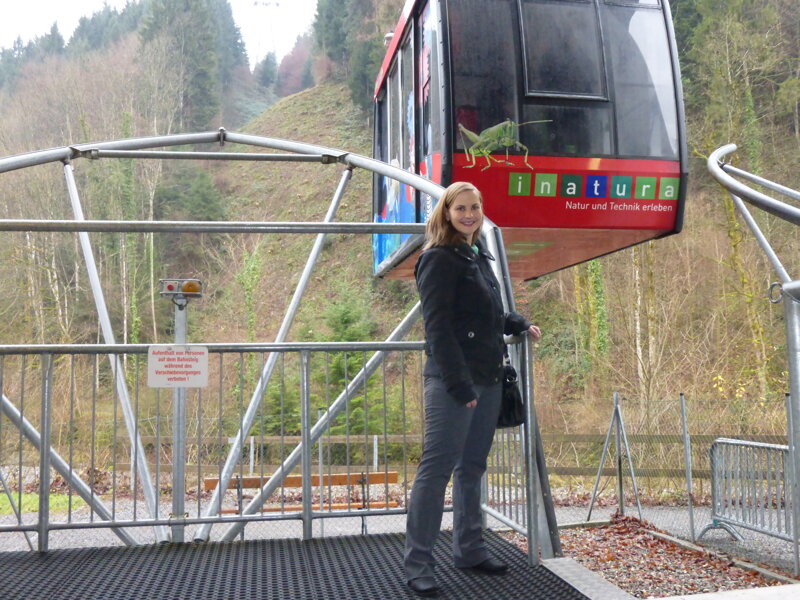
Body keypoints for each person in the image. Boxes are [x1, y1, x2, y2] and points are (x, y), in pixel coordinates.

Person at [404, 181, 541, 597]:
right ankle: (418, 566)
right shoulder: (438, 259)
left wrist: (515, 323)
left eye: (475, 207)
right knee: (436, 471)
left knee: (472, 469)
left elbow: (488, 313)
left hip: (488, 378)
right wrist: (460, 384)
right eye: (460, 207)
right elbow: (438, 329)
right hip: (454, 383)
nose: (468, 214)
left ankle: (469, 549)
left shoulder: (477, 254)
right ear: (445, 213)